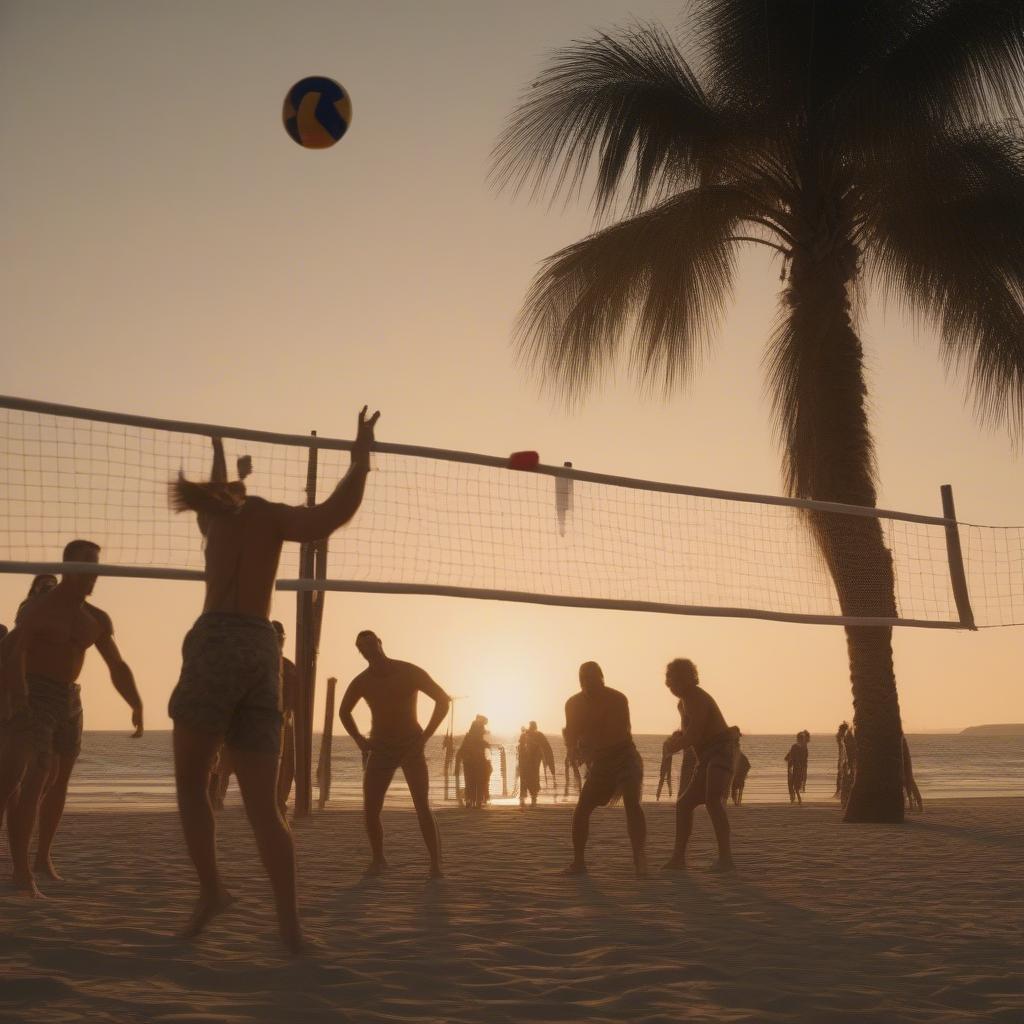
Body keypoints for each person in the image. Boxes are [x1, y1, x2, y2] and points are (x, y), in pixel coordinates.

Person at [167, 407, 378, 952]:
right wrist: (360, 459)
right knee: (266, 807)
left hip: (217, 640)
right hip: (263, 646)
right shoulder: (269, 516)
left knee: (192, 782)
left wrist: (218, 454)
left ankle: (213, 891)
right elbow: (333, 514)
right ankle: (291, 930)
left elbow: (224, 490)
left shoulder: (214, 519)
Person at [0, 540, 143, 896]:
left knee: (58, 781)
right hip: (36, 694)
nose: (93, 573)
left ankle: (42, 856)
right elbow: (16, 653)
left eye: (96, 565)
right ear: (68, 567)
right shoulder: (39, 609)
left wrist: (135, 701)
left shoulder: (94, 617)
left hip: (69, 699)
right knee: (31, 778)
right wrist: (19, 699)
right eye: (86, 565)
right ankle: (20, 871)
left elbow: (117, 664)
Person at [339, 630, 449, 878]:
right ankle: (378, 859)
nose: (368, 649)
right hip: (380, 747)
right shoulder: (362, 681)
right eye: (362, 648)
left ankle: (435, 863)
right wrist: (360, 741)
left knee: (421, 805)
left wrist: (425, 737)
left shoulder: (408, 672)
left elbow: (442, 700)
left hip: (411, 745)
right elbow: (344, 712)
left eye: (370, 643)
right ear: (361, 653)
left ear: (380, 643)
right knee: (370, 809)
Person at [561, 661, 646, 878]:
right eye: (584, 679)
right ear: (580, 682)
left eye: (593, 678)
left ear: (602, 678)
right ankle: (578, 862)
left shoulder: (618, 699)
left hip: (624, 756)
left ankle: (639, 859)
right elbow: (571, 733)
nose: (589, 683)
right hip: (600, 763)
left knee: (631, 801)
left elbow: (618, 732)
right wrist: (573, 748)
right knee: (582, 809)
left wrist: (587, 744)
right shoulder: (573, 703)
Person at [661, 658, 738, 873]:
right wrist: (675, 739)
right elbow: (689, 732)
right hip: (704, 758)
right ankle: (678, 858)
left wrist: (674, 746)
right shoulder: (682, 702)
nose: (672, 685)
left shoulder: (696, 696)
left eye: (676, 679)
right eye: (669, 680)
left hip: (720, 752)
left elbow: (695, 733)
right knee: (684, 804)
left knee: (713, 800)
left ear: (688, 678)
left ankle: (726, 859)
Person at [272, 621, 297, 817]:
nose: (277, 641)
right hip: (261, 722)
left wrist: (288, 711)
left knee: (288, 763)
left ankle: (280, 800)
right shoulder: (256, 663)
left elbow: (296, 696)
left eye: (280, 638)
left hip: (285, 722)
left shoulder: (288, 667)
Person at [456, 715, 492, 809]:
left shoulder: (468, 738)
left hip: (469, 764)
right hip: (479, 763)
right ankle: (478, 801)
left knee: (470, 782)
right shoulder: (481, 741)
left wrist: (457, 765)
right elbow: (486, 753)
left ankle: (470, 800)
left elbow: (461, 751)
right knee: (479, 782)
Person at [518, 720, 554, 807]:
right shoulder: (527, 735)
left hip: (532, 762)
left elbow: (545, 747)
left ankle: (529, 799)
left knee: (530, 780)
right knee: (528, 780)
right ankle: (527, 799)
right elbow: (521, 746)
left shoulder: (535, 735)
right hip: (528, 762)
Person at [784, 731, 809, 804]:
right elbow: (804, 760)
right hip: (796, 767)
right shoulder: (803, 748)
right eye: (802, 739)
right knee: (795, 784)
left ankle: (795, 797)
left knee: (793, 784)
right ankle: (796, 797)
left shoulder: (796, 747)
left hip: (795, 767)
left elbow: (788, 758)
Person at [902, 734, 923, 812]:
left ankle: (916, 805)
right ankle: (915, 805)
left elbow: (906, 761)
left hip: (905, 772)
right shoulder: (903, 744)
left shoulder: (903, 744)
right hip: (905, 771)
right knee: (910, 786)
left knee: (910, 786)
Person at [840, 724, 857, 809]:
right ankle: (846, 803)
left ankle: (845, 803)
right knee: (848, 784)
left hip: (847, 765)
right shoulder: (849, 742)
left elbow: (847, 755)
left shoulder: (846, 742)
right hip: (849, 765)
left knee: (846, 784)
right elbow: (848, 755)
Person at [731, 733, 751, 805]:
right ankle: (738, 802)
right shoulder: (740, 756)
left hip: (737, 775)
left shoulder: (739, 755)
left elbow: (748, 765)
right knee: (738, 788)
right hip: (738, 775)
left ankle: (737, 802)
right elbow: (748, 765)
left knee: (735, 789)